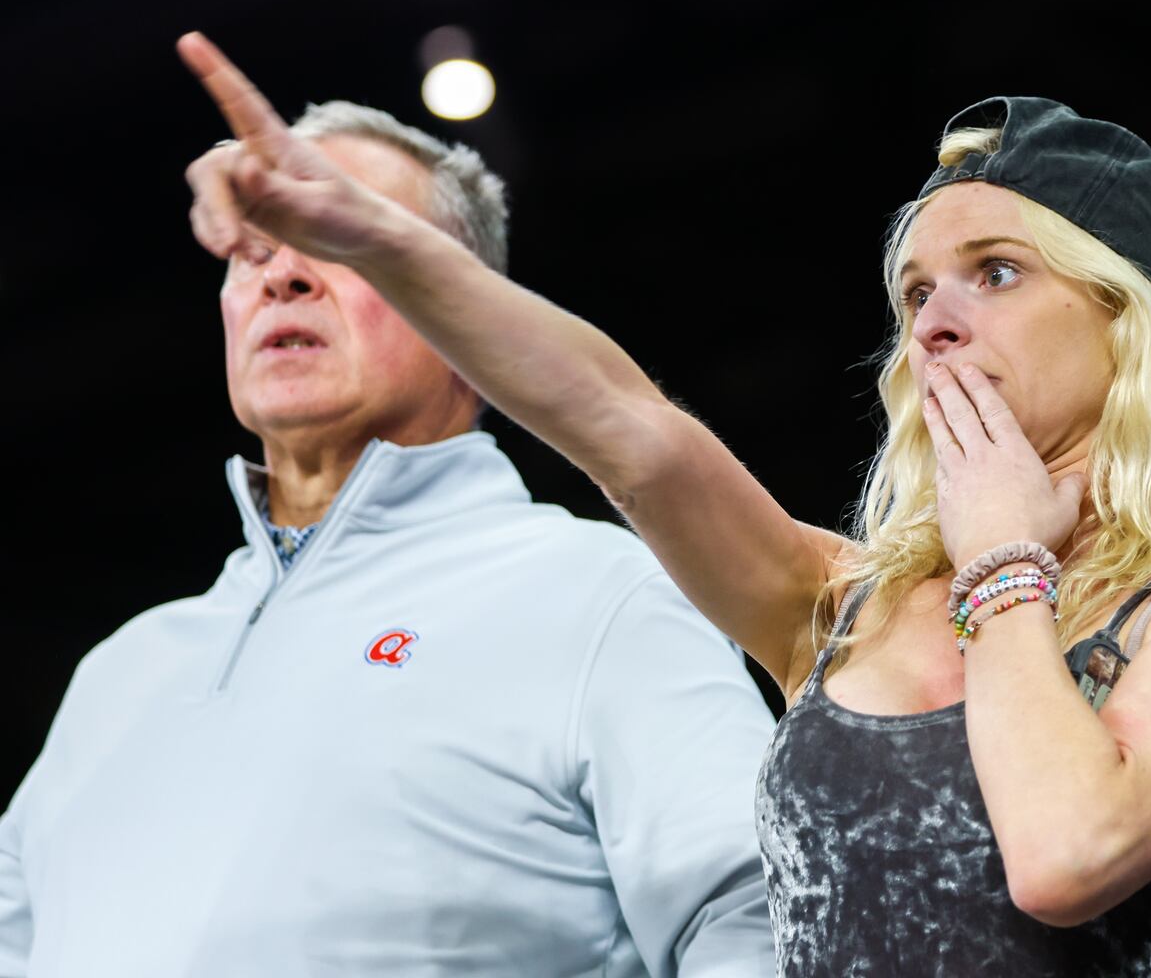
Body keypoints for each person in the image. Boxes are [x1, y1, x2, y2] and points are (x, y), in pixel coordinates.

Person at [172, 32, 1151, 976]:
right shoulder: (840, 602)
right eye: (913, 293)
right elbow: (624, 425)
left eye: (994, 272)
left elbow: (1066, 853)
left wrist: (1002, 561)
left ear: (1123, 320)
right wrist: (374, 240)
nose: (933, 322)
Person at [0, 80, 778, 976]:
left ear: (469, 315)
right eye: (253, 249)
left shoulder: (600, 595)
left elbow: (760, 919)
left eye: (336, 241)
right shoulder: (119, 673)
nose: (282, 275)